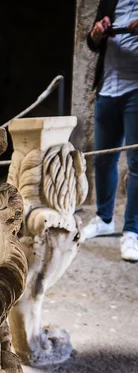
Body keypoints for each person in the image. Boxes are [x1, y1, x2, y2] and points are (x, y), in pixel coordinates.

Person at [84, 0, 138, 262]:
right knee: (103, 158)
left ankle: (132, 231)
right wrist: (96, 33)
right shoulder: (110, 0)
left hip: (136, 88)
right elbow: (93, 43)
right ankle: (104, 219)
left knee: (136, 163)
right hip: (107, 87)